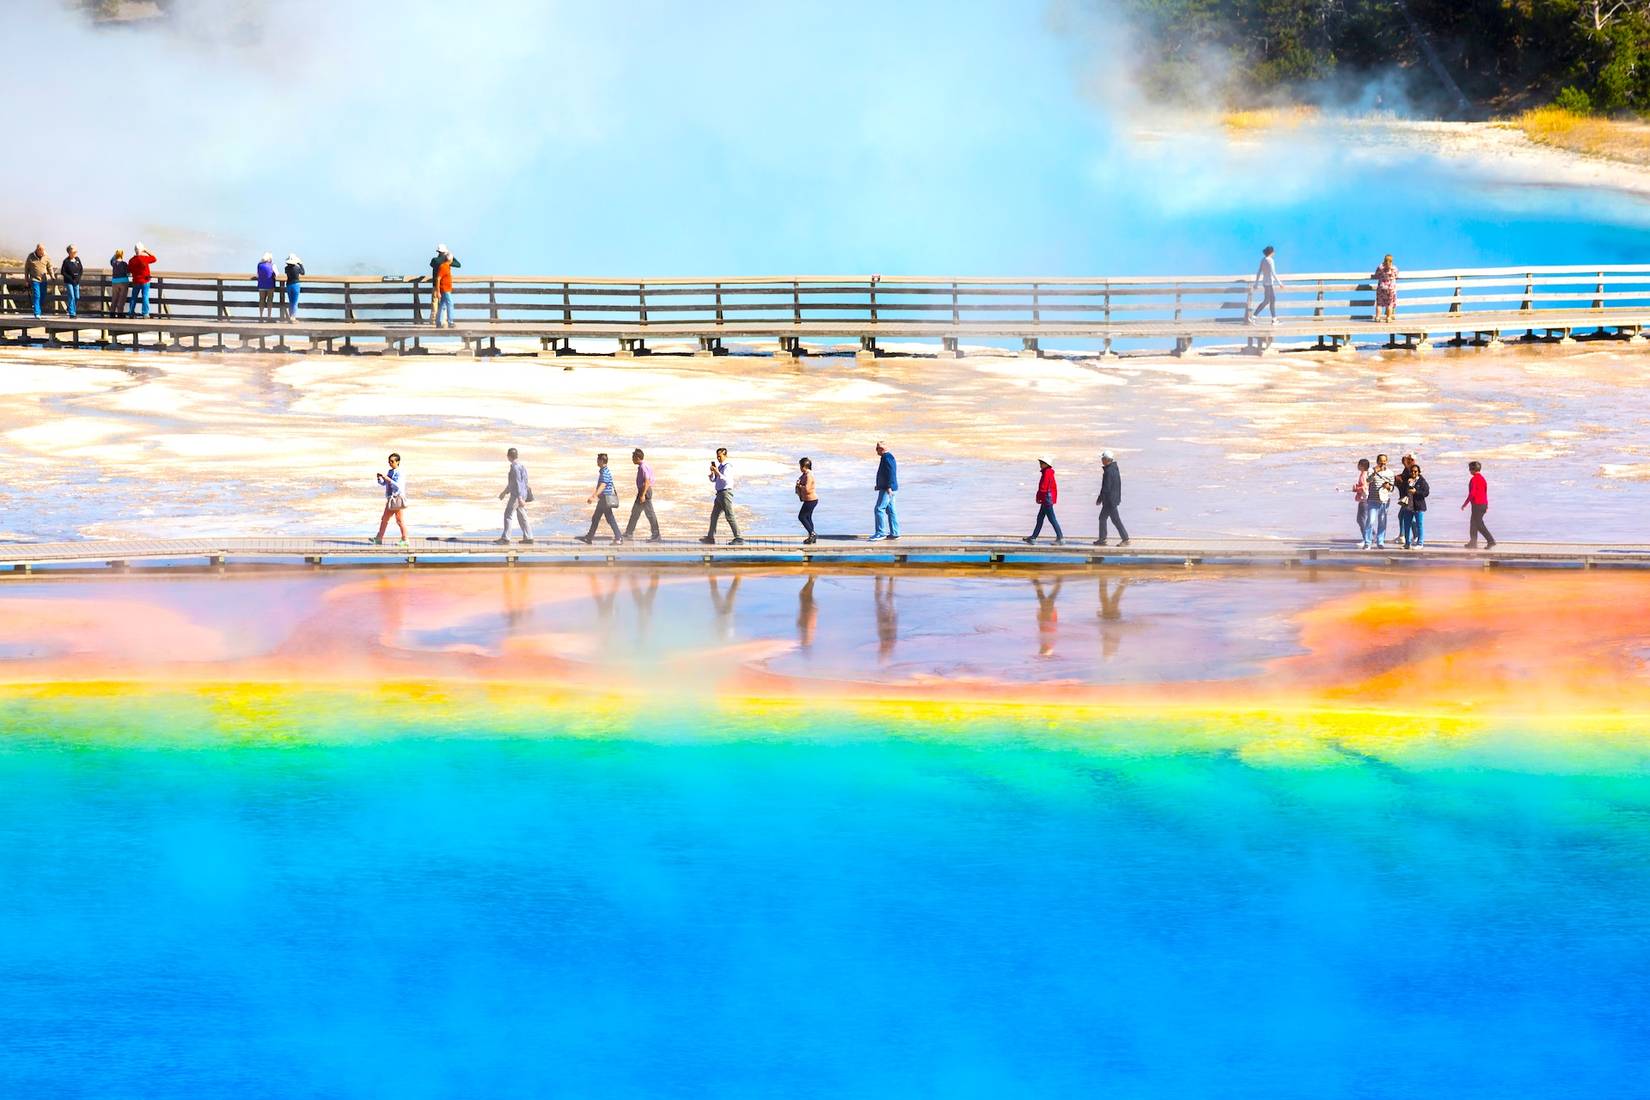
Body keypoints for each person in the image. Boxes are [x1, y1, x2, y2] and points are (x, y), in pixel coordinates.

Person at [699, 447, 744, 545]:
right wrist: (712, 473)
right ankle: (710, 537)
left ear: (725, 455)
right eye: (717, 457)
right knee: (714, 516)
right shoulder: (719, 467)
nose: (718, 458)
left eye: (720, 456)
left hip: (725, 493)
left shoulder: (728, 466)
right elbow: (715, 480)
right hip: (719, 494)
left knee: (729, 515)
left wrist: (717, 472)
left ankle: (738, 537)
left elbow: (725, 479)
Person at [577, 453, 624, 544]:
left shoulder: (605, 472)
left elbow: (603, 485)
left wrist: (593, 496)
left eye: (598, 460)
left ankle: (618, 538)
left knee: (608, 518)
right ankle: (589, 537)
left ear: (602, 461)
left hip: (605, 499)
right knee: (597, 518)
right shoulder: (604, 471)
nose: (597, 461)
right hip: (604, 499)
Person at [496, 446, 533, 544]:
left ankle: (506, 538)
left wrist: (520, 498)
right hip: (521, 494)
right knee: (522, 515)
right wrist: (504, 492)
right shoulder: (521, 466)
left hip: (517, 495)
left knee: (508, 514)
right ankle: (529, 538)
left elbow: (517, 483)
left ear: (508, 456)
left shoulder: (515, 467)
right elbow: (523, 482)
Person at [624, 448, 661, 542]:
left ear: (637, 457)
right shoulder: (645, 465)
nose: (632, 459)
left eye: (633, 457)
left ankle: (656, 535)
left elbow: (647, 481)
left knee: (650, 514)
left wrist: (642, 495)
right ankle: (629, 533)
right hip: (644, 491)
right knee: (635, 512)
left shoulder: (643, 467)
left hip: (645, 491)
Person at [1024, 457, 1063, 544]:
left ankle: (1060, 538)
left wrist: (1039, 497)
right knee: (1040, 518)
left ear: (1046, 464)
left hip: (1046, 499)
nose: (1040, 464)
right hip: (1047, 499)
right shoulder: (1047, 472)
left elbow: (1043, 487)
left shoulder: (1047, 473)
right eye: (1040, 463)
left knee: (1052, 519)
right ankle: (1033, 537)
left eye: (1041, 463)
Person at [372, 452, 408, 546]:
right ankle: (379, 538)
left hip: (396, 499)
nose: (390, 463)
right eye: (389, 461)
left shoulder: (400, 473)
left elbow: (398, 486)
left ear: (398, 462)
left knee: (399, 520)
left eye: (392, 461)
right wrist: (380, 479)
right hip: (390, 499)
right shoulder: (390, 471)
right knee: (385, 519)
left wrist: (387, 479)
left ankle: (405, 539)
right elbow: (385, 483)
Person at [1095, 450, 1129, 546]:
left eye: (1102, 458)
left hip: (1110, 500)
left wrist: (1099, 498)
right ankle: (1102, 539)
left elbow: (1106, 487)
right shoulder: (1114, 468)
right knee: (1102, 518)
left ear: (1106, 459)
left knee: (1115, 520)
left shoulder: (1109, 471)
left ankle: (1125, 539)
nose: (1101, 460)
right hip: (1112, 499)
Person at [1461, 460, 1495, 549]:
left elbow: (1472, 494)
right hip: (1482, 504)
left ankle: (1491, 541)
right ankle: (1473, 542)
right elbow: (1485, 492)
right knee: (1473, 523)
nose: (1469, 471)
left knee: (1479, 524)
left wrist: (1465, 504)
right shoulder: (1483, 479)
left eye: (1469, 469)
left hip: (1477, 505)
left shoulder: (1474, 479)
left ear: (1472, 469)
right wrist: (1486, 505)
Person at [870, 441, 899, 541]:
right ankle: (895, 533)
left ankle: (881, 533)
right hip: (889, 487)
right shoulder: (887, 457)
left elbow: (891, 472)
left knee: (879, 509)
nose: (876, 450)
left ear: (882, 449)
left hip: (888, 489)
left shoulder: (887, 457)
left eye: (877, 448)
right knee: (891, 510)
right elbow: (884, 473)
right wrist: (878, 485)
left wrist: (888, 486)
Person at [1366, 453, 1395, 549]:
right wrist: (1375, 472)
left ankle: (1380, 542)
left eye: (1384, 461)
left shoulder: (1390, 473)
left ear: (1386, 461)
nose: (1382, 463)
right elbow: (1368, 480)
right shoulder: (1371, 470)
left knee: (1382, 521)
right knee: (1370, 521)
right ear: (1377, 461)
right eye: (1380, 461)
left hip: (1384, 500)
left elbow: (1392, 488)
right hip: (1372, 500)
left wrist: (1388, 487)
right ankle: (1367, 542)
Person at [1249, 245, 1281, 325]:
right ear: (1271, 252)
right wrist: (1280, 283)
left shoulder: (1263, 259)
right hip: (1269, 283)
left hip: (1265, 283)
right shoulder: (1270, 260)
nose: (1274, 253)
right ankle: (1253, 317)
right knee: (1267, 301)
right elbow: (1273, 273)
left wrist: (1256, 283)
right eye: (1273, 251)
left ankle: (1274, 319)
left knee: (1272, 300)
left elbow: (1259, 271)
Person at [430, 244, 460, 328]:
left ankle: (437, 321)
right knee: (449, 303)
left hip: (437, 286)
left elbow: (432, 264)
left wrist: (446, 257)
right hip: (441, 287)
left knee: (438, 304)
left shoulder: (435, 260)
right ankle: (449, 321)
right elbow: (458, 264)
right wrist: (448, 257)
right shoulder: (443, 264)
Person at [1401, 462, 1430, 549]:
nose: (1413, 473)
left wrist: (1416, 492)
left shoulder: (1422, 481)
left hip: (1418, 506)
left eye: (1415, 471)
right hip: (1408, 506)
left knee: (1419, 525)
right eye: (1412, 471)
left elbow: (1426, 493)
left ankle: (1420, 543)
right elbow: (1403, 491)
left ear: (1418, 472)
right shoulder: (1408, 481)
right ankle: (1407, 543)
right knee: (1406, 525)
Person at [23, 244, 54, 318]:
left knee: (43, 296)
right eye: (41, 250)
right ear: (37, 250)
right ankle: (37, 313)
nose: (43, 252)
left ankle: (37, 309)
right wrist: (26, 280)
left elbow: (49, 267)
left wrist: (52, 275)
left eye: (43, 250)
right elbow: (26, 269)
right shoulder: (31, 256)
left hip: (44, 280)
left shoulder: (46, 256)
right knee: (37, 295)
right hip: (34, 279)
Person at [127, 243, 156, 317]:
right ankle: (145, 313)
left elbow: (128, 271)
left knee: (134, 297)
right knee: (145, 296)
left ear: (135, 250)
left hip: (136, 281)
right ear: (141, 249)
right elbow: (154, 258)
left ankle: (131, 312)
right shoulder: (144, 258)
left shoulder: (131, 260)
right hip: (145, 281)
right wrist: (146, 251)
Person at [796, 457, 819, 543]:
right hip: (809, 500)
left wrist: (800, 486)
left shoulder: (809, 475)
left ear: (804, 467)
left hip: (811, 500)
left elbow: (807, 489)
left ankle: (812, 534)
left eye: (800, 466)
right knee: (808, 517)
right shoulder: (805, 474)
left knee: (801, 517)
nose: (800, 468)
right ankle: (812, 537)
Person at [1373, 254, 1399, 322]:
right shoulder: (1394, 268)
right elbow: (1397, 275)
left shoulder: (1381, 268)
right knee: (1389, 304)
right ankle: (1388, 317)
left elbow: (1376, 275)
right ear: (1392, 261)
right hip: (1390, 289)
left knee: (1379, 304)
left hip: (1381, 289)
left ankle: (1377, 317)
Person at [1353, 457, 1372, 548]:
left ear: (1362, 466)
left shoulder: (1364, 475)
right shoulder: (1364, 474)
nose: (1357, 466)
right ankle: (1372, 535)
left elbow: (1365, 487)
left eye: (1359, 464)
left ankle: (1366, 539)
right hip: (1364, 499)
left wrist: (1356, 489)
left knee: (1361, 520)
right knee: (1362, 519)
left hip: (1364, 499)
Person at [60, 245, 83, 319]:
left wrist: (78, 278)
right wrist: (71, 279)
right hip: (69, 281)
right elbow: (63, 272)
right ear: (69, 252)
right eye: (74, 252)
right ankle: (72, 313)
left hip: (76, 282)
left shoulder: (78, 259)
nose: (76, 253)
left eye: (76, 251)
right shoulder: (66, 261)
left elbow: (81, 270)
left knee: (77, 297)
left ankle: (70, 308)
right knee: (71, 296)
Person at [108, 249, 130, 317]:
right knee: (122, 298)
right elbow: (128, 273)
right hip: (123, 282)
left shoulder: (114, 263)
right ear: (122, 255)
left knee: (114, 297)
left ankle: (112, 313)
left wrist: (115, 255)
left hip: (115, 282)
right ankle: (120, 313)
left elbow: (111, 259)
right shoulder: (124, 264)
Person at [255, 253, 277, 321]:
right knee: (269, 301)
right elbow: (276, 274)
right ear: (269, 259)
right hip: (270, 285)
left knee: (261, 300)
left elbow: (258, 274)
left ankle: (261, 317)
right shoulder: (272, 265)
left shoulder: (259, 265)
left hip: (261, 285)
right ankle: (269, 317)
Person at [283, 253, 305, 321]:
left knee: (291, 301)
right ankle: (293, 317)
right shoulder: (297, 268)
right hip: (296, 285)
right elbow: (303, 273)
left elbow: (287, 271)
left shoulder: (286, 268)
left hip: (289, 285)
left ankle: (290, 316)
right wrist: (300, 264)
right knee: (295, 302)